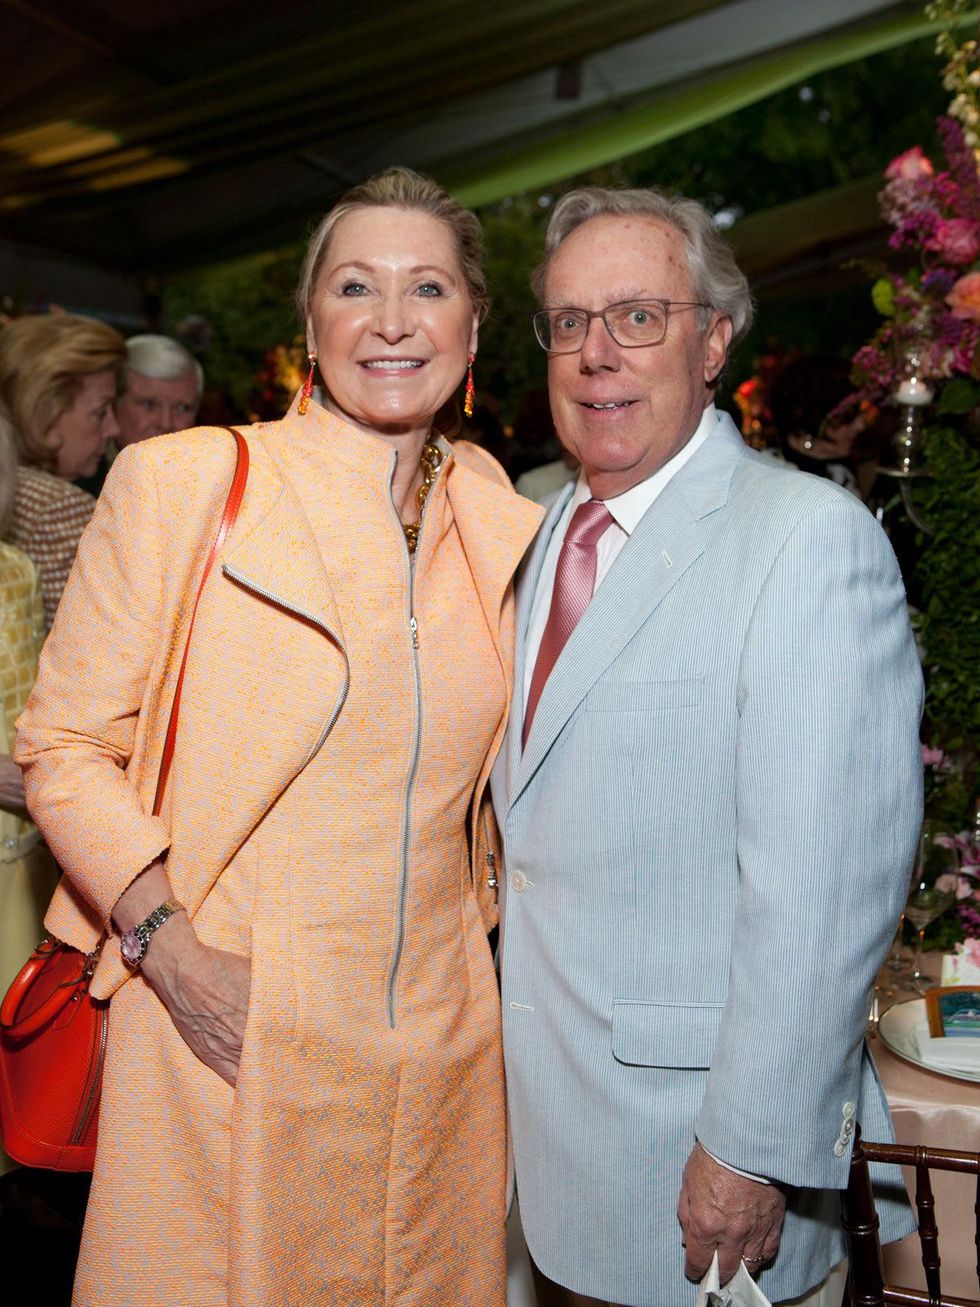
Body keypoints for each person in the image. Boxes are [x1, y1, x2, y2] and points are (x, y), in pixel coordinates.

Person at [15, 167, 543, 1306]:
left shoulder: (501, 515)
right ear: (310, 320)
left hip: (442, 1062)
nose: (392, 320)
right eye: (356, 286)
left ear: (472, 322)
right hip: (229, 1038)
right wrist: (176, 952)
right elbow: (61, 745)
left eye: (427, 288)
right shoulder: (186, 483)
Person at [491, 186, 923, 1307]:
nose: (596, 353)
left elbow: (825, 889)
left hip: (701, 1159)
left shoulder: (804, 540)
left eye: (636, 315)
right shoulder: (536, 536)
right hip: (545, 1144)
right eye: (568, 321)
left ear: (712, 336)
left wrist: (748, 1147)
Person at [0, 312, 125, 627]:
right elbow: (88, 652)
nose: (113, 427)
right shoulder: (60, 508)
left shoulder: (18, 490)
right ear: (46, 409)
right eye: (99, 412)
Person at [75, 332, 203, 495]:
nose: (166, 423)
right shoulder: (77, 484)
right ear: (113, 404)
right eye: (149, 405)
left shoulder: (210, 489)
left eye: (183, 408)